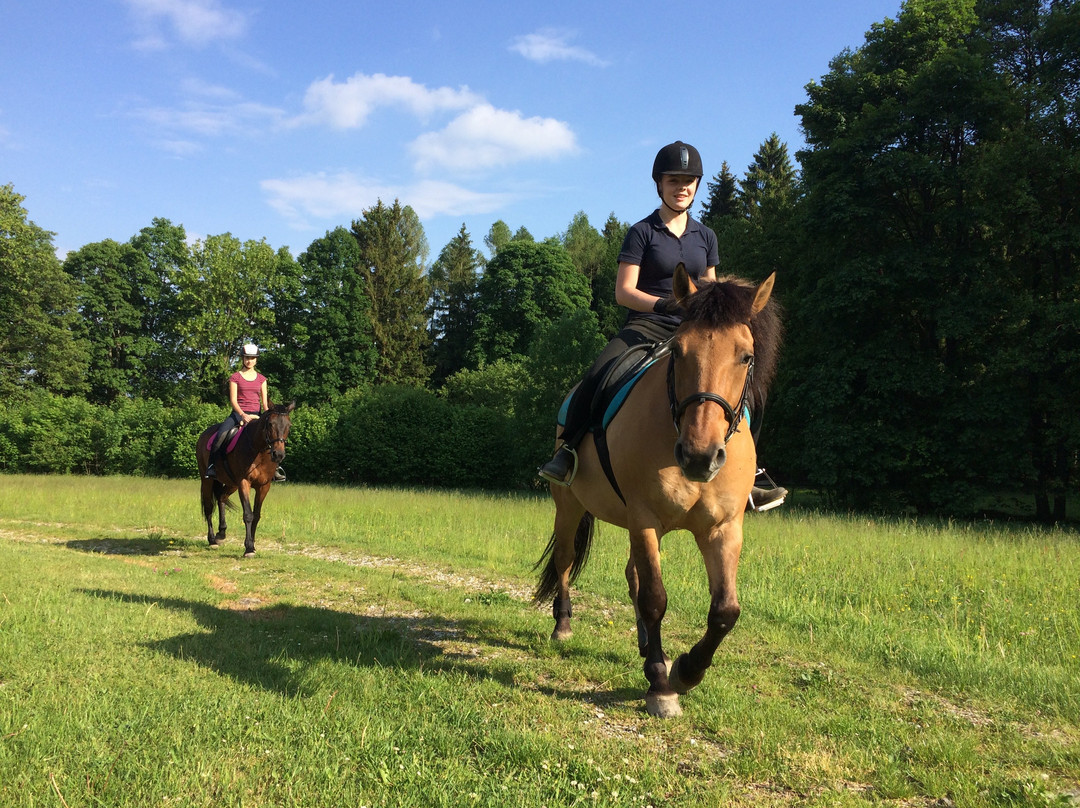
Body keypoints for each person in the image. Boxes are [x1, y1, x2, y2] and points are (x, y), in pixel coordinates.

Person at [537, 140, 786, 511]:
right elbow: (624, 291)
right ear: (659, 184)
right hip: (646, 325)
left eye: (689, 180)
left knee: (749, 390)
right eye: (674, 180)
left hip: (696, 331)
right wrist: (666, 304)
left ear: (697, 186)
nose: (681, 187)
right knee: (601, 373)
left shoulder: (706, 237)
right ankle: (569, 452)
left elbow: (712, 287)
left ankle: (751, 474)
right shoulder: (642, 232)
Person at [205, 343, 286, 482]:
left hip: (257, 414)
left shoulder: (262, 379)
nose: (250, 360)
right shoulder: (235, 377)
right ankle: (212, 466)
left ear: (256, 359)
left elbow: (265, 403)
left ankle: (275, 468)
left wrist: (267, 417)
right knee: (221, 436)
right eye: (247, 357)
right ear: (242, 358)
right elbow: (233, 400)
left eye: (253, 358)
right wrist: (243, 415)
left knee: (273, 436)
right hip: (238, 414)